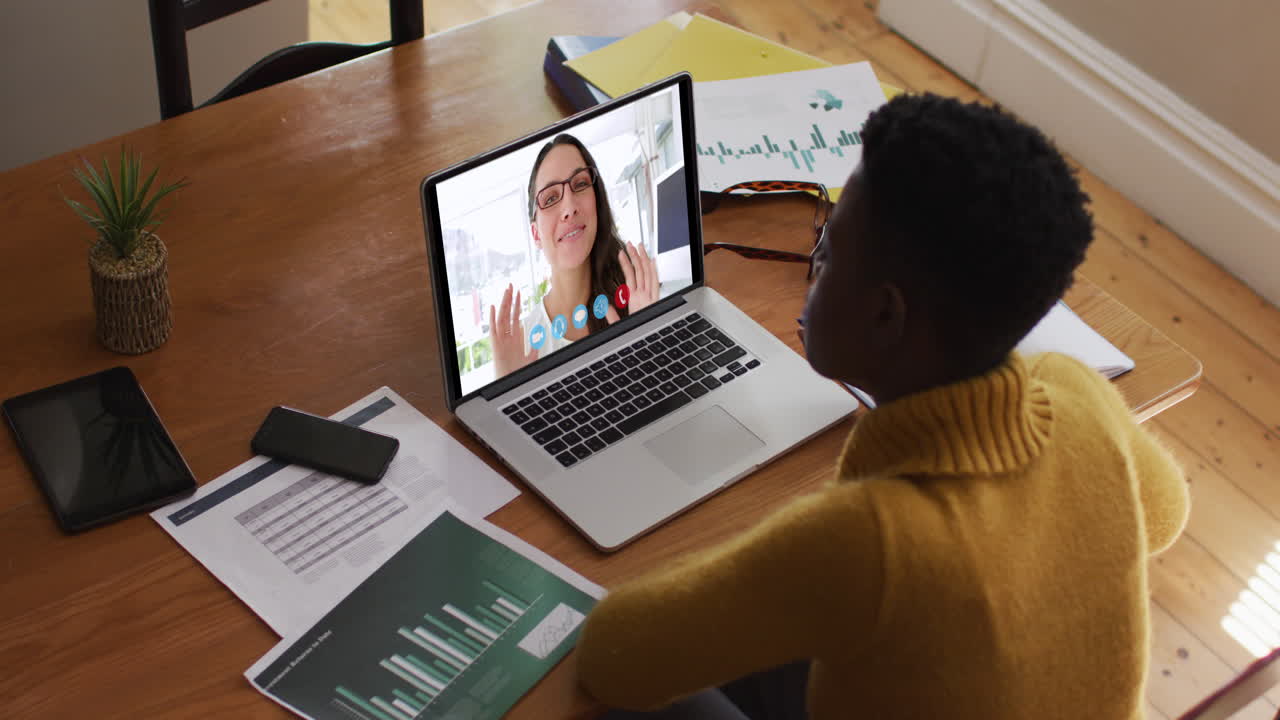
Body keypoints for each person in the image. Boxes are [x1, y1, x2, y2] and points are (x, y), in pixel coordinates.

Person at [574, 93, 1190, 719]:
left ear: (884, 314)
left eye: (828, 252)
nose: (814, 265)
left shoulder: (866, 542)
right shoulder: (1078, 392)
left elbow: (612, 655)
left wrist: (768, 559)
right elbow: (1166, 512)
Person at [488, 134, 660, 379]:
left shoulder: (638, 300)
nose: (569, 208)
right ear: (536, 234)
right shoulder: (522, 345)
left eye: (580, 184)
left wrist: (651, 345)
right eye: (550, 198)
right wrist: (506, 389)